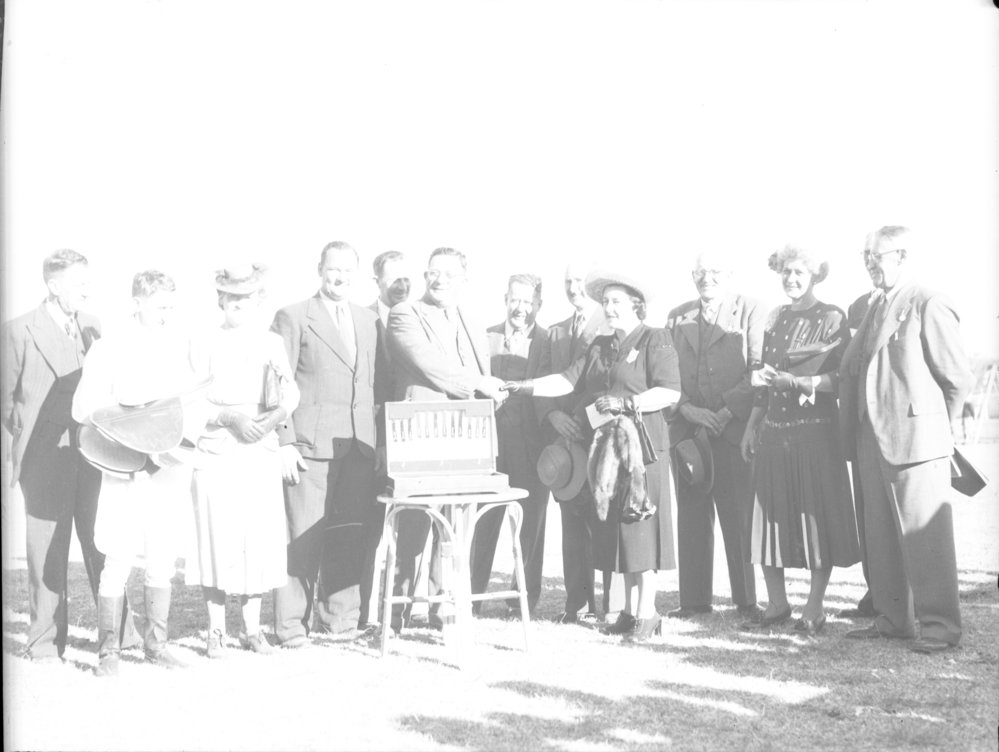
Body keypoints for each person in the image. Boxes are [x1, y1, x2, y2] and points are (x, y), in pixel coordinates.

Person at [502, 269, 680, 642]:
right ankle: (630, 612)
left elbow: (670, 392)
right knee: (618, 530)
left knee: (639, 527)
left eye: (617, 302)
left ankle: (648, 613)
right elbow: (567, 380)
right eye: (607, 302)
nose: (609, 308)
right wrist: (524, 387)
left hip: (643, 452)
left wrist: (628, 402)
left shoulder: (655, 339)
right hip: (609, 455)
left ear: (636, 305)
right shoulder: (600, 346)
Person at [838, 226, 973, 653]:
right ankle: (893, 620)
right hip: (871, 440)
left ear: (903, 255)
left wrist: (934, 431)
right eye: (865, 257)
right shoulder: (874, 305)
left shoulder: (928, 301)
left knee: (925, 539)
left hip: (917, 441)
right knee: (879, 537)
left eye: (876, 256)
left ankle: (940, 626)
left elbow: (957, 379)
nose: (869, 265)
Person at [1, 250, 137, 662]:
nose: (86, 291)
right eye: (78, 284)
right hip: (45, 458)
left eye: (88, 283)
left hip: (93, 455)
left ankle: (120, 636)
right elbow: (7, 401)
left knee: (103, 542)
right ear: (53, 285)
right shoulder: (18, 330)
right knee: (47, 551)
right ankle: (44, 642)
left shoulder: (94, 328)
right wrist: (33, 435)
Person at [72, 270, 200, 674]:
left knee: (162, 555)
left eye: (171, 307)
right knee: (119, 556)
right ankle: (108, 651)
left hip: (167, 465)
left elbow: (191, 404)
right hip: (124, 467)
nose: (167, 314)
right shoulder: (108, 349)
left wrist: (177, 444)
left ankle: (156, 645)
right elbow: (82, 410)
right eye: (160, 306)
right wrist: (127, 413)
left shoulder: (176, 347)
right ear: (137, 302)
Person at [271, 241, 389, 646]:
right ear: (319, 269)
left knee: (348, 534)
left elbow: (376, 384)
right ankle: (289, 627)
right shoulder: (293, 317)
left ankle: (340, 621)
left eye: (347, 271)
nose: (339, 277)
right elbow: (275, 385)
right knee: (301, 536)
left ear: (357, 275)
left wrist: (380, 444)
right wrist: (284, 441)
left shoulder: (369, 321)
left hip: (358, 447)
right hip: (309, 447)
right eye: (332, 269)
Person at [738, 246, 860, 635]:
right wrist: (751, 425)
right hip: (774, 432)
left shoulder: (831, 317)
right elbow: (766, 378)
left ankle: (815, 606)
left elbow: (844, 377)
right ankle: (777, 604)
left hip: (815, 434)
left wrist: (805, 382)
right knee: (769, 518)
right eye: (786, 272)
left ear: (814, 276)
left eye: (799, 273)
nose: (791, 279)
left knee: (814, 518)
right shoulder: (774, 319)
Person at [386, 247, 507, 630]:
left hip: (466, 439)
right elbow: (431, 365)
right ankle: (396, 613)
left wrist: (492, 395)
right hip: (420, 438)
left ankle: (444, 610)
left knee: (455, 530)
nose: (439, 280)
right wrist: (480, 385)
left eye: (449, 274)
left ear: (464, 281)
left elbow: (480, 374)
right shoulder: (405, 313)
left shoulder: (473, 322)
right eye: (433, 272)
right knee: (413, 528)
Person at [190, 265, 300, 656]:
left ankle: (253, 630)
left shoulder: (271, 342)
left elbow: (290, 393)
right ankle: (216, 630)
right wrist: (229, 418)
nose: (238, 303)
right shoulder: (202, 341)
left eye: (246, 297)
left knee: (258, 536)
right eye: (231, 296)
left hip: (260, 446)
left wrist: (272, 419)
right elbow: (189, 400)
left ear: (258, 300)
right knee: (217, 535)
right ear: (220, 299)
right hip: (218, 444)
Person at [666, 251, 764, 620]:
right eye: (701, 272)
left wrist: (724, 411)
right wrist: (689, 409)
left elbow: (757, 368)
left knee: (738, 515)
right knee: (691, 514)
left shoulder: (752, 310)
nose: (708, 278)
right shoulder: (678, 316)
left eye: (716, 272)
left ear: (731, 274)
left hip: (733, 431)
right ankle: (693, 601)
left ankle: (747, 601)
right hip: (689, 431)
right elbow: (666, 373)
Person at [535, 264, 616, 624]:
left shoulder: (614, 323)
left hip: (600, 436)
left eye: (581, 281)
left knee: (607, 523)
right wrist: (553, 417)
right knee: (572, 525)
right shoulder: (555, 333)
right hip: (564, 444)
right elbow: (544, 381)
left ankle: (614, 604)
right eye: (568, 281)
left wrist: (585, 422)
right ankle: (577, 605)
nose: (574, 288)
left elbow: (616, 385)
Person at [469, 274, 550, 616]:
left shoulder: (549, 341)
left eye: (528, 302)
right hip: (490, 450)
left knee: (530, 525)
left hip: (532, 449)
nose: (521, 308)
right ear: (505, 299)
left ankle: (524, 599)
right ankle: (471, 595)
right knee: (483, 521)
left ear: (539, 305)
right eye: (515, 300)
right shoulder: (484, 337)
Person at [837, 279, 880, 620]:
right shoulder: (859, 305)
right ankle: (877, 589)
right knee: (867, 514)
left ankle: (901, 595)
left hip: (893, 429)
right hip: (858, 428)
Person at [369, 250, 412, 326]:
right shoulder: (362, 319)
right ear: (377, 282)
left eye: (406, 279)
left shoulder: (419, 317)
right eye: (393, 280)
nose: (403, 287)